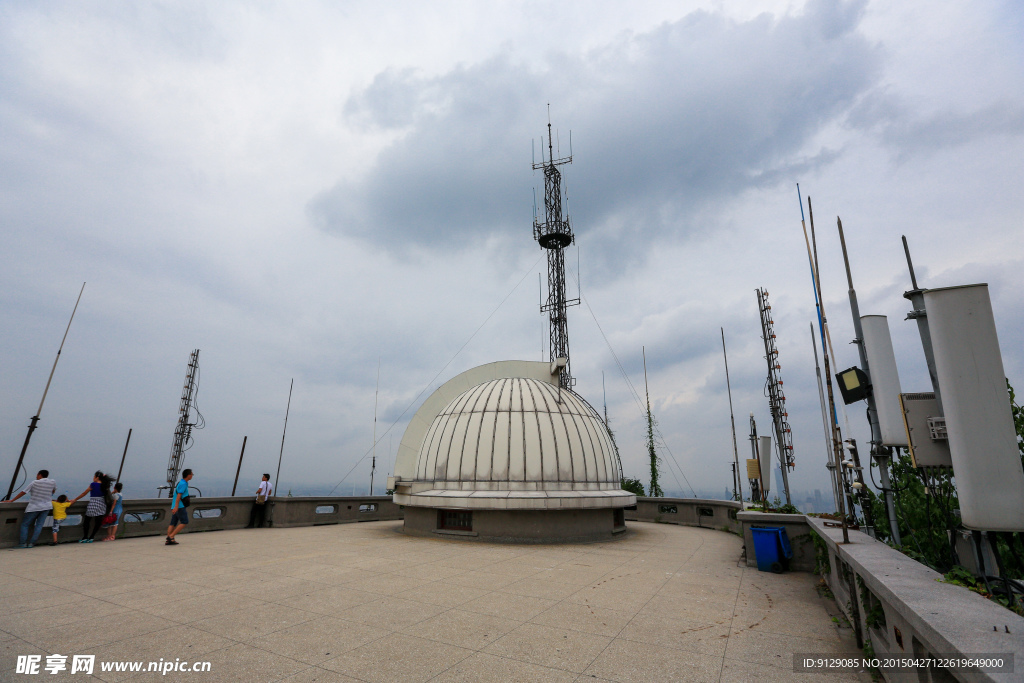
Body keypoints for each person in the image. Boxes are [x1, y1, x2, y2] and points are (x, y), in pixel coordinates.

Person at [3, 470, 56, 548]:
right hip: (47, 506)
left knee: (25, 524)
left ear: (39, 475)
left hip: (34, 506)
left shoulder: (34, 482)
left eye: (37, 475)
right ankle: (32, 543)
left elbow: (23, 492)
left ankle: (23, 543)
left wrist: (12, 500)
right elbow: (53, 491)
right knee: (39, 525)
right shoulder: (52, 482)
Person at [74, 472, 112, 543]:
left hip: (93, 504)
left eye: (94, 476)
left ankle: (85, 537)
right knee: (98, 522)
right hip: (102, 505)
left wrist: (75, 499)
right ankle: (92, 537)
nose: (93, 478)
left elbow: (84, 493)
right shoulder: (105, 485)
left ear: (97, 477)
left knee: (87, 521)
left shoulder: (93, 484)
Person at [166, 469, 192, 546]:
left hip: (175, 505)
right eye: (191, 474)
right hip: (180, 506)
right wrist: (176, 507)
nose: (192, 476)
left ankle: (168, 539)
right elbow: (179, 496)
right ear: (188, 475)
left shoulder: (181, 482)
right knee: (184, 522)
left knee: (173, 523)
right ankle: (171, 536)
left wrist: (174, 506)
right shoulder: (183, 484)